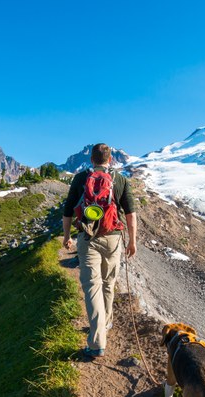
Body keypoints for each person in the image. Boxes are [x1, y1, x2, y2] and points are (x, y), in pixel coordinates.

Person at [62, 143, 137, 358]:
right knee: (108, 282)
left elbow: (67, 210)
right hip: (113, 237)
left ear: (91, 159)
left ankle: (97, 343)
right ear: (110, 159)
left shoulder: (81, 178)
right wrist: (133, 241)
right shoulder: (120, 179)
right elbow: (131, 214)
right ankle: (107, 322)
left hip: (87, 237)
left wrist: (67, 237)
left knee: (92, 286)